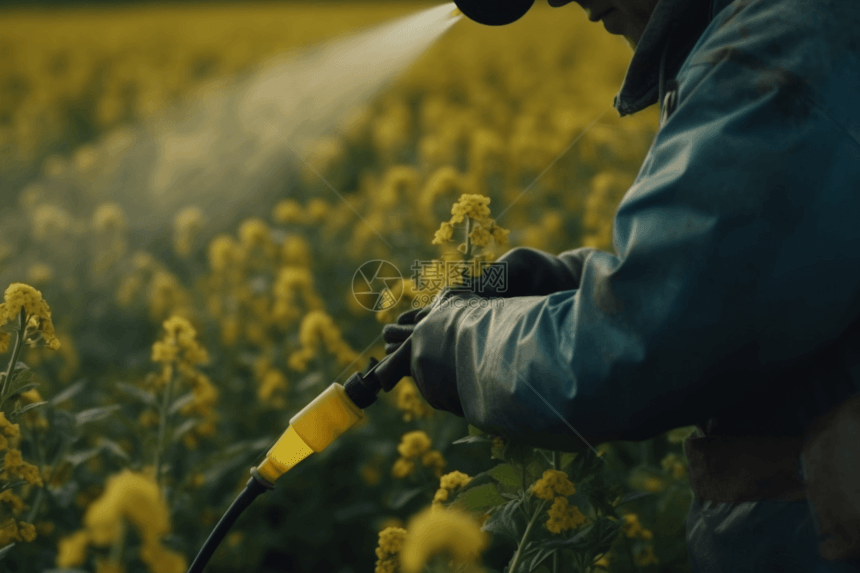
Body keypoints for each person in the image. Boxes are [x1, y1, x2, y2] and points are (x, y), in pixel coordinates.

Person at [382, 0, 860, 570]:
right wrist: (569, 283)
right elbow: (756, 275)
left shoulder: (781, 41)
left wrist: (461, 342)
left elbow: (641, 347)